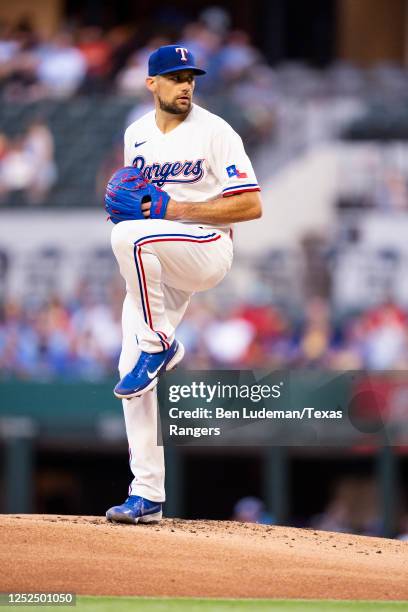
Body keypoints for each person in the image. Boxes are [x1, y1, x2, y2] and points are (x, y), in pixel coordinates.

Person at [105, 44, 262, 524]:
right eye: (175, 77)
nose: (186, 85)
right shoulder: (137, 134)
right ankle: (147, 494)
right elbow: (136, 197)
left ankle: (161, 344)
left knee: (128, 235)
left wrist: (173, 210)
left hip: (207, 247)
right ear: (152, 84)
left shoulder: (215, 131)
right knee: (131, 373)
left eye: (191, 76)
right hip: (160, 252)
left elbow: (251, 204)